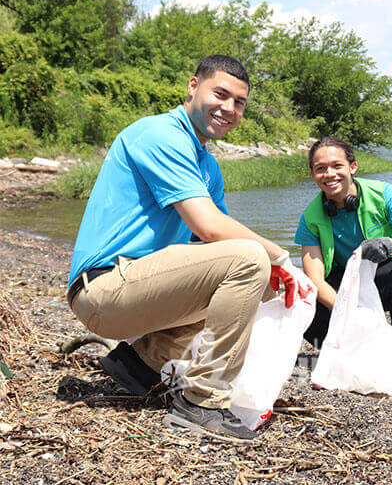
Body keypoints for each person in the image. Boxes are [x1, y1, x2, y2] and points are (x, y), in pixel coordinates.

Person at [66, 55, 307, 440]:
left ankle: (142, 364)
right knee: (251, 260)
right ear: (193, 87)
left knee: (262, 281)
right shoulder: (160, 135)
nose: (229, 108)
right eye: (221, 94)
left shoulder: (208, 166)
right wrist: (279, 255)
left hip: (143, 289)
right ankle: (202, 403)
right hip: (103, 290)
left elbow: (214, 243)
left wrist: (277, 272)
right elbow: (209, 228)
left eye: (239, 102)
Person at [294, 136, 392, 360]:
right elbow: (315, 279)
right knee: (302, 296)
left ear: (353, 167)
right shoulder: (310, 217)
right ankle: (346, 353)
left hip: (385, 276)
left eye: (337, 165)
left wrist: (388, 244)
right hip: (345, 284)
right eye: (320, 169)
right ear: (312, 174)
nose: (329, 174)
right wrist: (346, 310)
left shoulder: (384, 193)